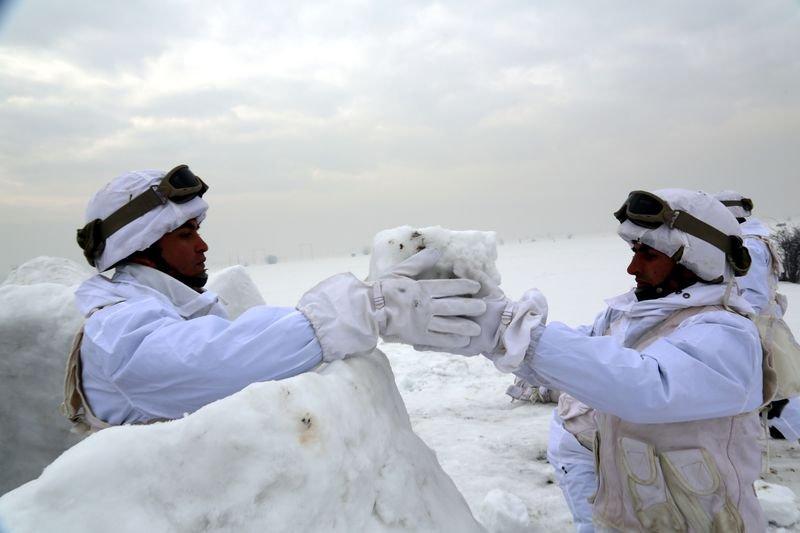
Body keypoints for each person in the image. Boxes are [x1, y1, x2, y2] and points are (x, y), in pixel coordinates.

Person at [63, 165, 485, 432]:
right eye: (186, 235)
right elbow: (215, 361)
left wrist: (367, 301)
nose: (203, 246)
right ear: (139, 247)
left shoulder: (166, 310)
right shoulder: (117, 332)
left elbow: (241, 341)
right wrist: (361, 311)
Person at [441, 189, 768, 531]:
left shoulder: (727, 335)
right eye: (634, 251)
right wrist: (493, 336)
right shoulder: (634, 313)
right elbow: (590, 352)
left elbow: (646, 387)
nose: (632, 267)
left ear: (696, 260)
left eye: (649, 255)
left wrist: (521, 334)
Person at [715, 191, 800, 444]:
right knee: (779, 382)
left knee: (778, 388)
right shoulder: (754, 240)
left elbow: (753, 295)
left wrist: (736, 320)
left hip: (757, 326)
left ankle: (789, 432)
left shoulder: (749, 245)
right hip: (764, 324)